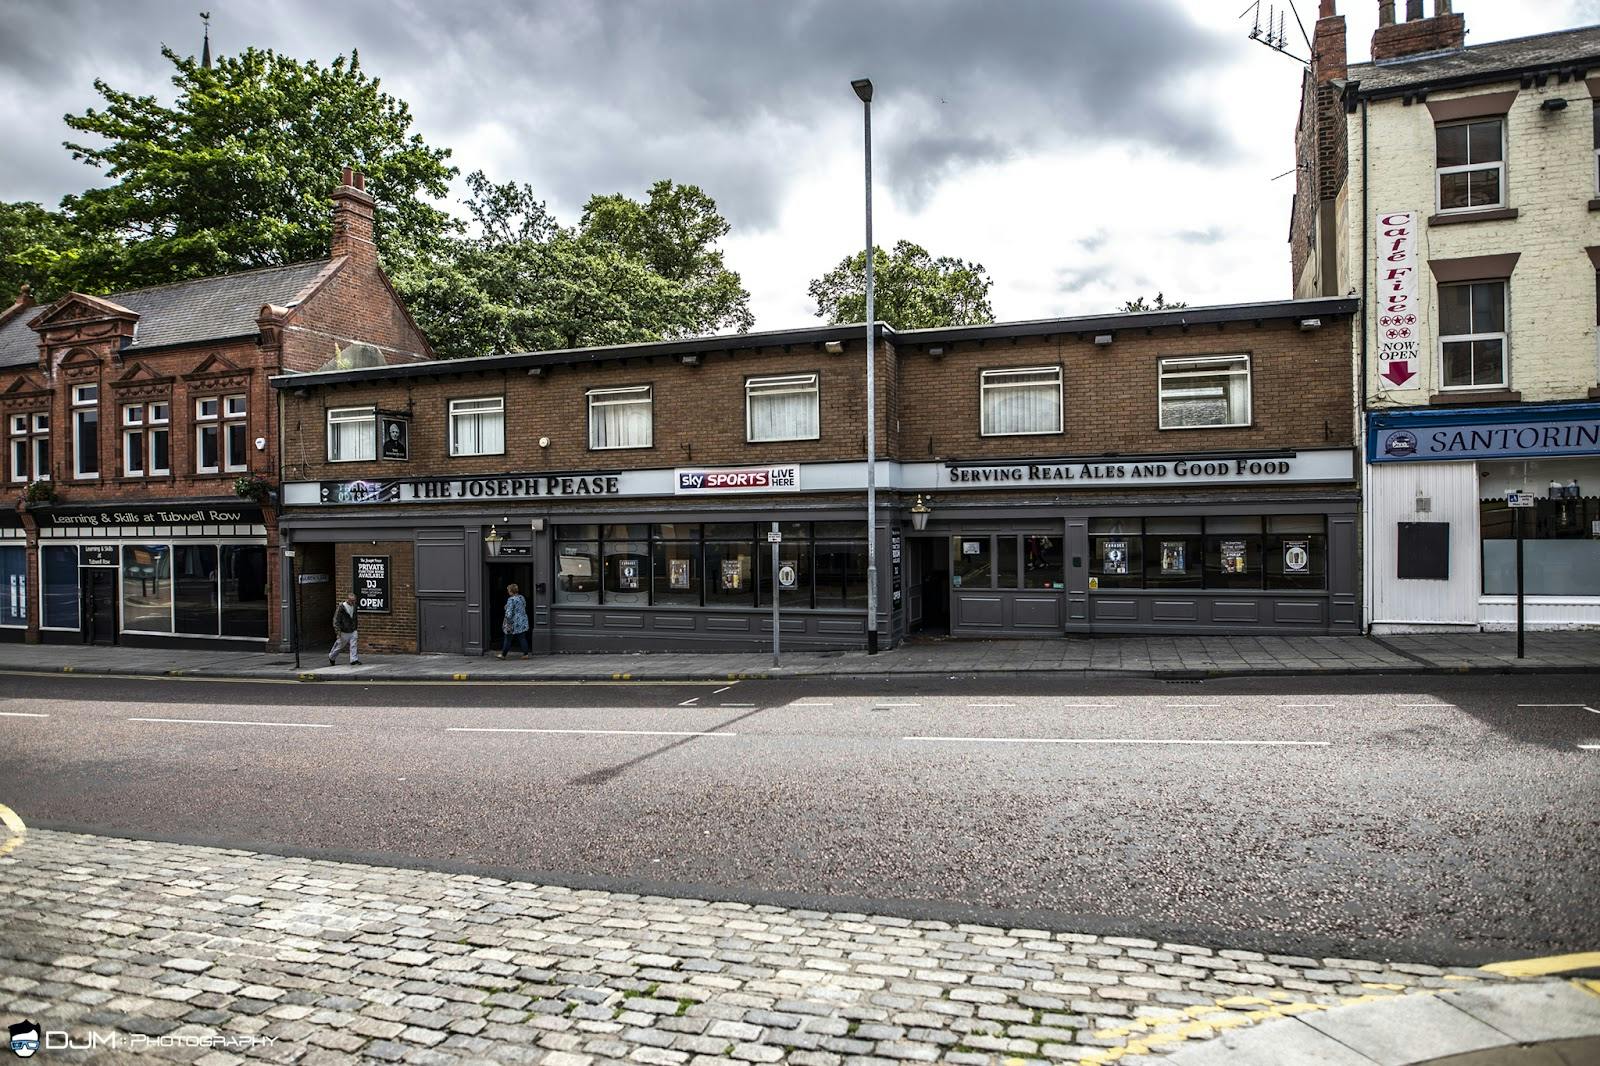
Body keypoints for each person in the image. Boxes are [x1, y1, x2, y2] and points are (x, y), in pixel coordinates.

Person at [498, 583, 529, 659]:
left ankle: (503, 655)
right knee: (522, 637)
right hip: (522, 620)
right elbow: (523, 606)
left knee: (508, 638)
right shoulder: (521, 597)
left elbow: (509, 612)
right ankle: (526, 654)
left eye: (508, 590)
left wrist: (506, 612)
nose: (508, 592)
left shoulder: (511, 599)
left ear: (511, 591)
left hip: (513, 622)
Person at [329, 593, 361, 666]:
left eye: (354, 601)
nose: (353, 602)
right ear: (348, 600)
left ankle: (354, 660)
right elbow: (336, 620)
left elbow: (354, 618)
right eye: (352, 601)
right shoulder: (342, 607)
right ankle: (332, 657)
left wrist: (355, 626)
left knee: (354, 644)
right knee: (339, 646)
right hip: (344, 630)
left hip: (353, 629)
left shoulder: (355, 606)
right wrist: (338, 632)